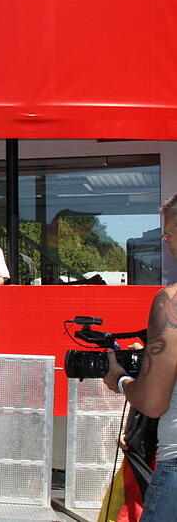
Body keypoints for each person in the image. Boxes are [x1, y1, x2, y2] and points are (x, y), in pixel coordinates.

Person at [102, 193, 177, 522]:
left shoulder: (171, 302)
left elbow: (152, 401)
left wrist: (119, 379)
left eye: (169, 234)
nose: (168, 244)